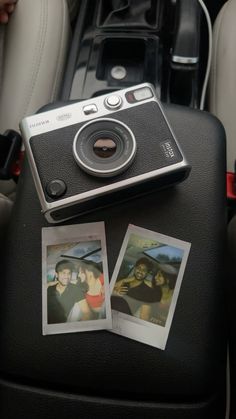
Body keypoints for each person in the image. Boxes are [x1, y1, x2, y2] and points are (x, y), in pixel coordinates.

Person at [112, 257, 162, 321]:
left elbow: (144, 316)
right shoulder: (125, 281)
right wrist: (123, 281)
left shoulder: (147, 291)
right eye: (139, 268)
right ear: (135, 268)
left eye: (144, 270)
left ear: (147, 273)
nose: (141, 271)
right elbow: (107, 291)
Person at [47, 259, 91, 324]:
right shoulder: (49, 289)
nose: (67, 276)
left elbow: (87, 313)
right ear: (57, 274)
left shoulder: (76, 290)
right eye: (63, 273)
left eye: (69, 273)